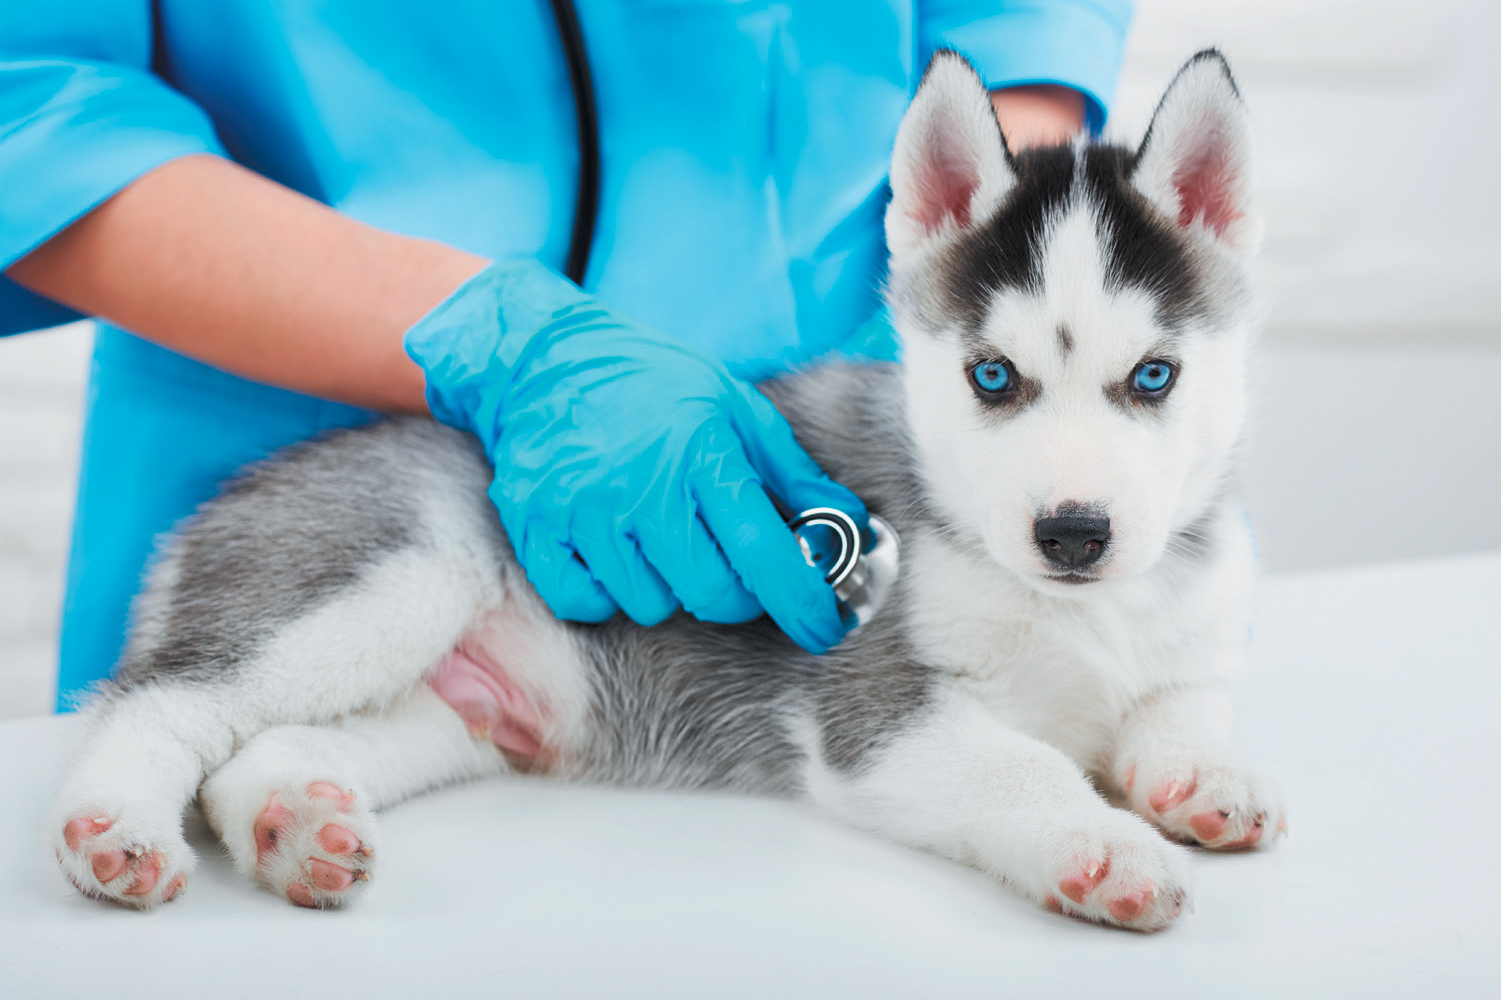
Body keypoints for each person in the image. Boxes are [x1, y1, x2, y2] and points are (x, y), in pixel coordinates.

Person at [0, 1, 1132, 710]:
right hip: (312, 446)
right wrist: (495, 346)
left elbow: (1021, 19)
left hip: (853, 451)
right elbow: (32, 96)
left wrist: (971, 269)